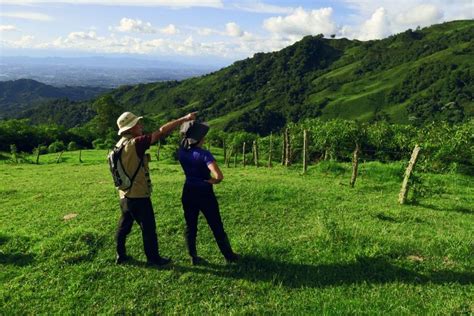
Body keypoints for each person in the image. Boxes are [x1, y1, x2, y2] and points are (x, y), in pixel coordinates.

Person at [114, 111, 197, 266]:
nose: (140, 126)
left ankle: (120, 255)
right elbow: (161, 132)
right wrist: (184, 119)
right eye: (137, 124)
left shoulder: (119, 144)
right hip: (138, 194)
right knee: (148, 228)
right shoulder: (136, 143)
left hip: (124, 193)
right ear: (131, 128)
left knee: (124, 225)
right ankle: (153, 259)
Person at [178, 121, 239, 265]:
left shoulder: (181, 151)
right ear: (199, 138)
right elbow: (219, 176)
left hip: (188, 191)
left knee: (190, 225)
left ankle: (193, 256)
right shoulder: (204, 154)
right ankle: (229, 255)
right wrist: (211, 181)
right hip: (204, 193)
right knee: (216, 224)